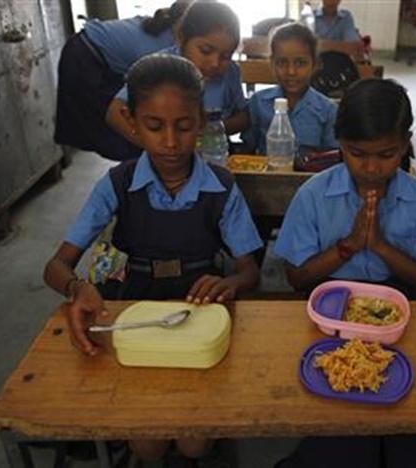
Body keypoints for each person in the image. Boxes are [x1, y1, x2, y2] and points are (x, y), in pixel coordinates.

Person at [43, 54, 262, 462]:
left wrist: (231, 282)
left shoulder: (221, 186)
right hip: (134, 314)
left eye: (183, 126)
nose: (170, 142)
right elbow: (56, 267)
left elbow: (250, 270)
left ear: (200, 120)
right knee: (148, 442)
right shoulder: (118, 184)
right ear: (130, 121)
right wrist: (78, 288)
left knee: (193, 442)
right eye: (154, 126)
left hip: (201, 317)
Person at [274, 78, 416, 301]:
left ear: (405, 144)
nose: (371, 168)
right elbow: (296, 278)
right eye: (357, 154)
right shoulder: (313, 195)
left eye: (386, 155)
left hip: (399, 301)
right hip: (328, 299)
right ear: (340, 143)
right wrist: (350, 245)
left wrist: (379, 246)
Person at [106, 0, 249, 155]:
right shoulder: (159, 66)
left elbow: (243, 117)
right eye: (206, 50)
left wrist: (210, 130)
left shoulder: (231, 72)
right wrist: (154, 146)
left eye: (226, 56)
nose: (215, 63)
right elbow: (114, 113)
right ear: (181, 38)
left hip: (214, 154)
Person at [54, 1, 189, 161]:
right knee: (116, 131)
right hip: (84, 56)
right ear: (180, 25)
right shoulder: (165, 49)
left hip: (92, 52)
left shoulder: (164, 26)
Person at [242, 22, 338, 155]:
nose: (291, 71)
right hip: (266, 174)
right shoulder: (258, 103)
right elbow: (248, 149)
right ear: (272, 64)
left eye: (300, 63)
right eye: (282, 63)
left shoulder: (328, 110)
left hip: (310, 175)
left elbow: (331, 157)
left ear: (314, 65)